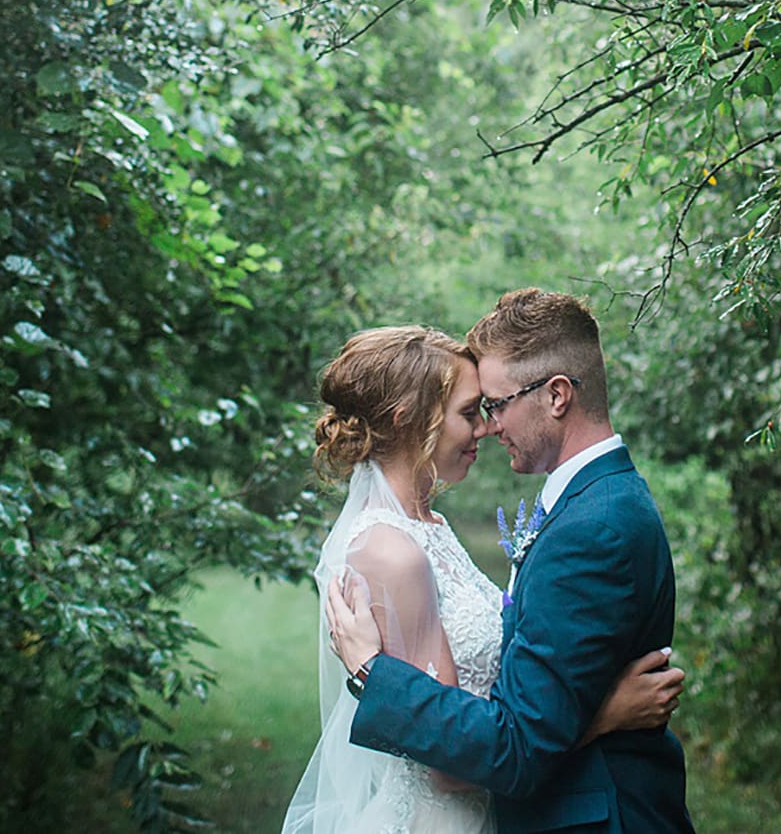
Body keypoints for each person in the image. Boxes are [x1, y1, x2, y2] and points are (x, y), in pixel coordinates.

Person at [283, 324, 682, 834]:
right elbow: (450, 769)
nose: (486, 428)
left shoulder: (431, 529)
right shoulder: (391, 552)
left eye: (488, 409)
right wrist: (599, 716)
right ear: (412, 421)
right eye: (471, 412)